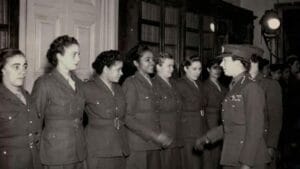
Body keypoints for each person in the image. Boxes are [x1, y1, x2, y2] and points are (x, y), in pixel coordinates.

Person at [195, 44, 270, 169]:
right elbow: (231, 125)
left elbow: (255, 130)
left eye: (225, 61)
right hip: (233, 155)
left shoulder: (251, 88)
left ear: (239, 62)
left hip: (249, 159)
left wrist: (246, 163)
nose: (222, 65)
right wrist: (207, 138)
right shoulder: (234, 86)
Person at [31, 35, 86, 169]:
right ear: (59, 56)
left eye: (79, 54)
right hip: (55, 152)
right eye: (74, 54)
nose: (78, 59)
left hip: (79, 150)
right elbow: (34, 120)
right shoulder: (44, 83)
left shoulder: (79, 83)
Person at [122, 44, 172, 169]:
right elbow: (127, 117)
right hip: (139, 146)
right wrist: (154, 135)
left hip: (154, 145)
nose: (152, 63)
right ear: (136, 63)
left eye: (152, 59)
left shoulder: (153, 83)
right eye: (147, 60)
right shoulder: (131, 83)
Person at [82, 50, 129, 169]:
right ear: (106, 69)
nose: (122, 73)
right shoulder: (88, 88)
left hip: (119, 148)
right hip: (99, 150)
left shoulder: (119, 88)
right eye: (118, 69)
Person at [0, 48, 42, 169]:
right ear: (2, 69)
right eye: (16, 67)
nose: (22, 71)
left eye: (24, 66)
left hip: (34, 162)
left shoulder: (28, 96)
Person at [248, 46, 282, 169]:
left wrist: (271, 145)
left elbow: (276, 118)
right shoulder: (239, 84)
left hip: (263, 141)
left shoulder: (270, 85)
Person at [176, 55, 207, 169]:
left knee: (198, 164)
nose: (197, 72)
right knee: (190, 163)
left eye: (199, 69)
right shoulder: (179, 84)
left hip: (199, 129)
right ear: (185, 68)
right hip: (187, 132)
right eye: (194, 69)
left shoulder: (199, 84)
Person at [152, 52, 182, 169]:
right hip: (163, 136)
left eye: (173, 66)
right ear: (158, 67)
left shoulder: (174, 84)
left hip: (176, 135)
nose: (172, 69)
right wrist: (158, 135)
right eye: (168, 66)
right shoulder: (153, 84)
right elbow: (153, 113)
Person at [202, 58, 227, 169]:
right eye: (214, 68)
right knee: (210, 156)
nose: (218, 70)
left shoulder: (224, 88)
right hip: (209, 123)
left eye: (220, 68)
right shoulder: (204, 86)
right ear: (208, 69)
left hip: (222, 123)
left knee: (219, 156)